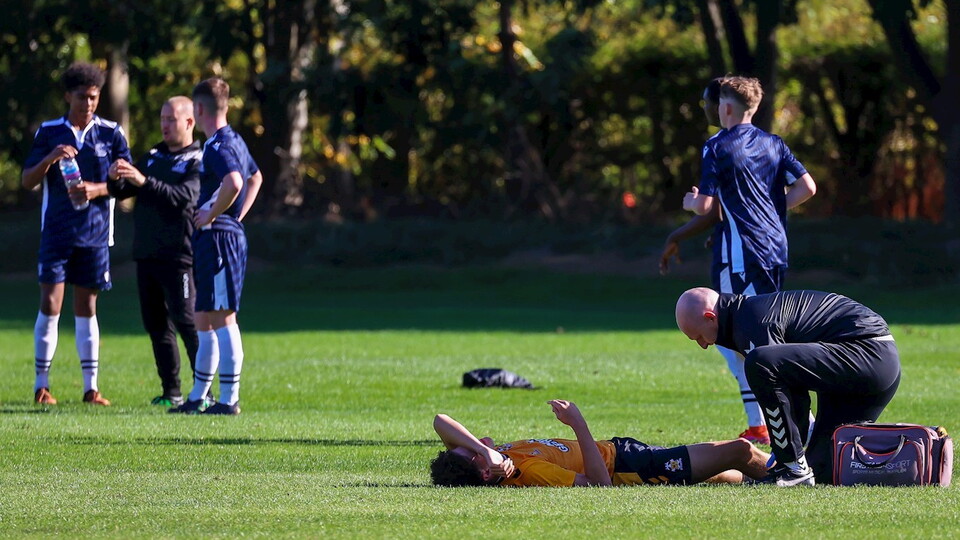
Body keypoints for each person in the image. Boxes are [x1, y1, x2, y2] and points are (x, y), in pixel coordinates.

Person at [669, 76, 818, 444]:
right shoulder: (774, 143)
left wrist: (691, 203)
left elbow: (705, 205)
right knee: (758, 337)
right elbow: (807, 187)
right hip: (774, 251)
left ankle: (801, 426)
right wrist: (770, 210)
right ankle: (762, 425)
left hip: (741, 257)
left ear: (726, 107)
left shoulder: (717, 145)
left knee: (744, 339)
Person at [675, 287, 901, 486]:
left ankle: (792, 468)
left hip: (867, 354)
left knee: (759, 362)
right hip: (875, 360)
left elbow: (785, 385)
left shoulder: (751, 320)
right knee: (825, 470)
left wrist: (787, 454)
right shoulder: (746, 315)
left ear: (710, 317)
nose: (703, 345)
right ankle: (905, 463)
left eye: (698, 337)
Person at [21, 61, 132, 406]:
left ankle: (91, 389)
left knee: (87, 306)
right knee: (50, 304)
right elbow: (27, 180)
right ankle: (42, 385)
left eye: (94, 97)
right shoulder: (49, 132)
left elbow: (127, 184)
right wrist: (50, 158)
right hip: (57, 233)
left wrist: (99, 189)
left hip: (95, 234)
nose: (88, 103)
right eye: (82, 96)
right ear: (68, 96)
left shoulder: (111, 133)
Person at [169, 78, 262, 415]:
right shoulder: (234, 139)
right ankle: (198, 396)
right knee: (203, 316)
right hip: (214, 237)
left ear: (199, 109)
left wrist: (216, 214)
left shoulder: (217, 145)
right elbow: (255, 178)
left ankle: (229, 400)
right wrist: (236, 216)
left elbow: (235, 182)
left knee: (223, 316)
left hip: (219, 238)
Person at [107, 96, 203, 408]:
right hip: (146, 254)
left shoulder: (197, 160)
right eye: (162, 118)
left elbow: (183, 198)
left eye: (171, 119)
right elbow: (125, 189)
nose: (165, 125)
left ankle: (203, 392)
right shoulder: (152, 156)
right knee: (157, 326)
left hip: (179, 256)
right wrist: (114, 179)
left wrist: (143, 182)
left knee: (187, 322)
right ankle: (171, 392)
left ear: (189, 122)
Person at [430, 399, 771, 487]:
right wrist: (578, 423)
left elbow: (440, 420)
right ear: (485, 474)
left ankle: (764, 477)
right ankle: (791, 473)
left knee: (724, 471)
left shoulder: (492, 457)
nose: (476, 444)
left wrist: (484, 451)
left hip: (623, 450)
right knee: (738, 450)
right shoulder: (527, 471)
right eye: (472, 452)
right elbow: (598, 484)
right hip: (631, 467)